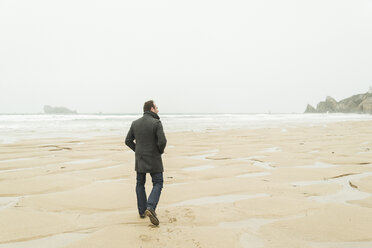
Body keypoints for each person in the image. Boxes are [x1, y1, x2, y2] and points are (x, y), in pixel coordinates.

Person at [125, 100, 167, 226]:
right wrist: (159, 151)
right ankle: (151, 207)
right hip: (154, 158)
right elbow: (162, 141)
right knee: (158, 182)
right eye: (156, 107)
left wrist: (138, 150)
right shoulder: (156, 122)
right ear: (151, 109)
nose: (158, 109)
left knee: (140, 183)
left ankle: (142, 211)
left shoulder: (135, 123)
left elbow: (128, 141)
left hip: (140, 159)